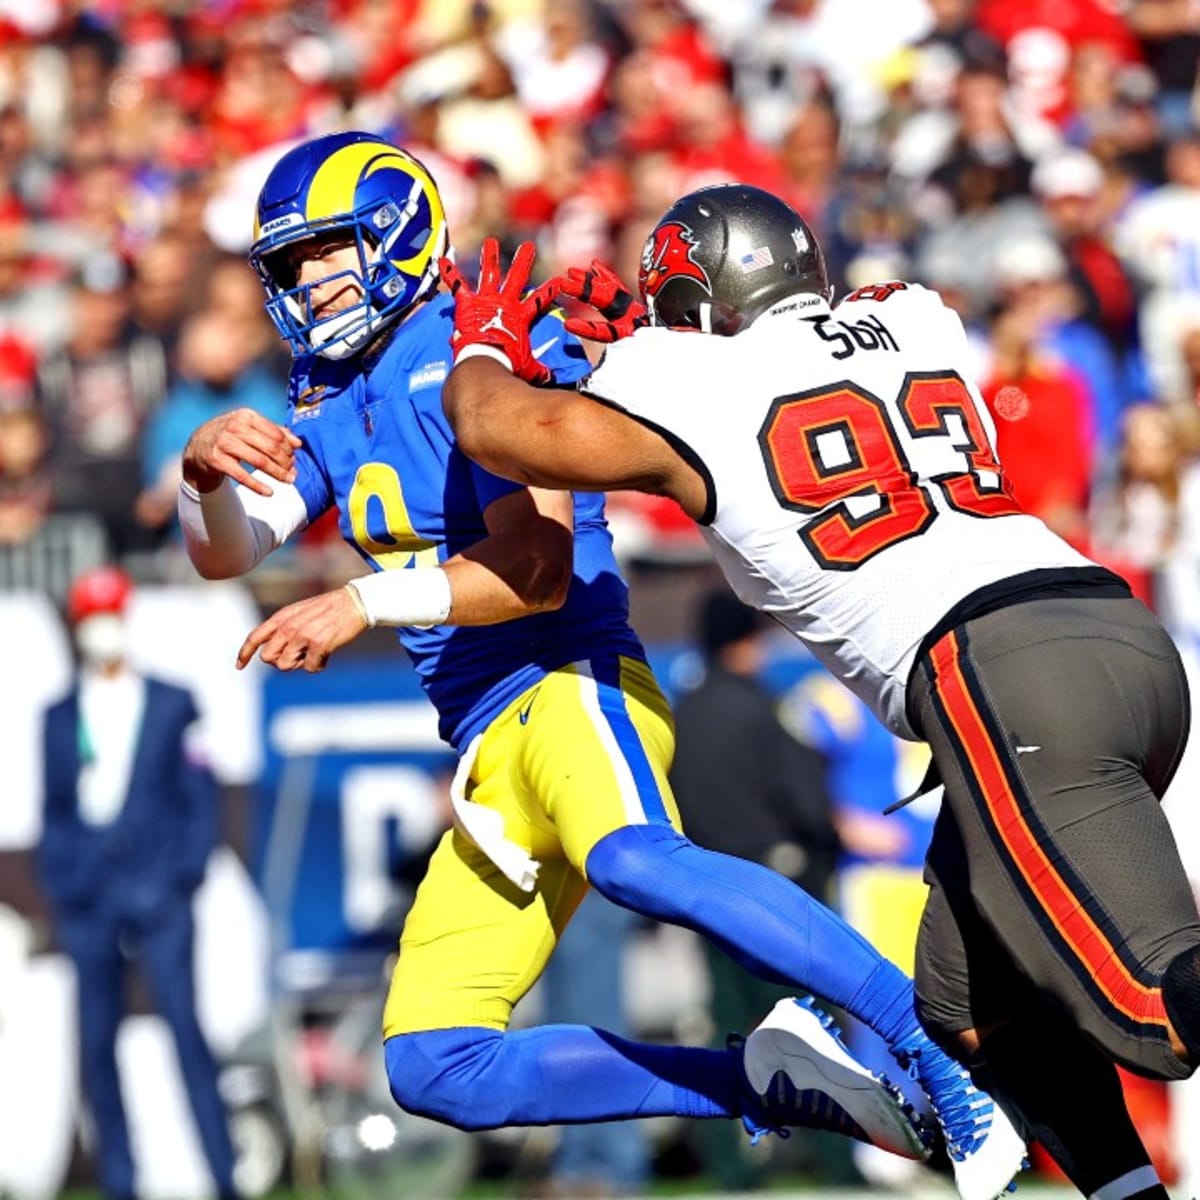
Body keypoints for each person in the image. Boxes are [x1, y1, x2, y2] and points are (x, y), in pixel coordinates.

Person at [177, 131, 1021, 1199]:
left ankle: (934, 1042)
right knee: (435, 1065)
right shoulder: (332, 398)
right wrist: (202, 472)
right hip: (485, 739)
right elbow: (227, 551)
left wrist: (357, 600)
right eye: (288, 266)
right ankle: (766, 1082)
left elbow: (532, 571)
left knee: (633, 858)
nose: (304, 283)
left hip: (569, 675)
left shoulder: (478, 352)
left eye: (323, 253)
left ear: (393, 232)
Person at [438, 182, 1200, 1200]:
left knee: (1156, 1011)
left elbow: (501, 428)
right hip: (1109, 631)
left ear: (698, 308)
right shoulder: (916, 321)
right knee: (968, 1003)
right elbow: (886, 317)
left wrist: (484, 342)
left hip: (1001, 670)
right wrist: (651, 340)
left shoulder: (679, 373)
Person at [37, 565, 237, 1200]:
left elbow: (198, 795)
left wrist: (184, 872)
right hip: (90, 897)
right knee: (97, 1044)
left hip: (157, 889)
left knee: (185, 1028)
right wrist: (65, 880)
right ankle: (119, 1181)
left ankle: (223, 1174)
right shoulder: (59, 713)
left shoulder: (172, 702)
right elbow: (55, 808)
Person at [669, 587, 844, 1191]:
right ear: (744, 641)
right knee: (807, 1025)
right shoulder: (763, 711)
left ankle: (730, 1161)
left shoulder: (681, 715)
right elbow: (808, 803)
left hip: (705, 890)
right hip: (776, 891)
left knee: (727, 1029)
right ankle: (836, 1160)